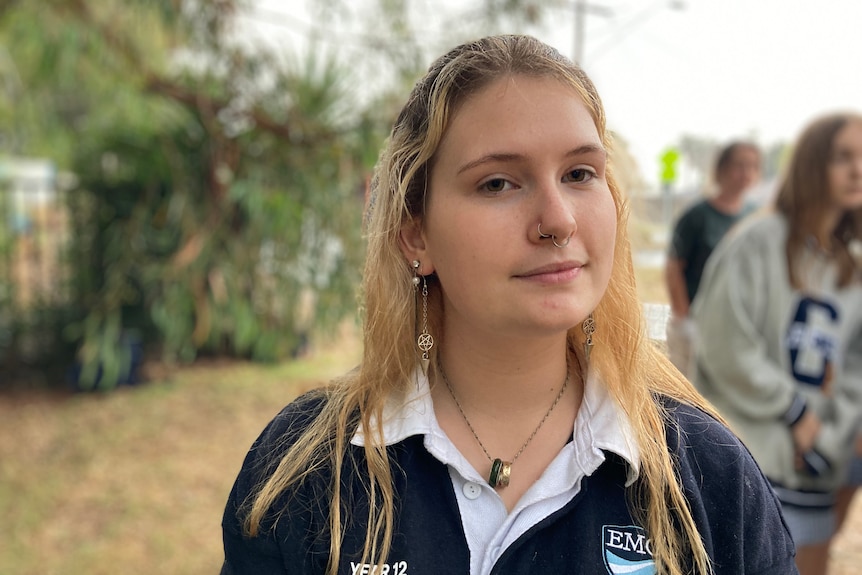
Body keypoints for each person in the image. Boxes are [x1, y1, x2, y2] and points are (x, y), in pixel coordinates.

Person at [220, 35, 797, 575]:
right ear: (415, 233)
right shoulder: (304, 473)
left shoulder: (712, 478)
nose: (558, 220)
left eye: (579, 173)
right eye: (498, 183)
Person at [691, 112, 862, 575]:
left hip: (813, 465)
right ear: (811, 163)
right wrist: (794, 410)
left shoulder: (851, 268)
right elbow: (726, 342)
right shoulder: (758, 241)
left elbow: (853, 370)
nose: (857, 170)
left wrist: (829, 434)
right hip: (748, 452)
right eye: (843, 157)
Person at [664, 141, 762, 378]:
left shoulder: (754, 215)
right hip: (696, 322)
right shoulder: (697, 216)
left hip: (735, 324)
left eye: (752, 166)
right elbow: (673, 267)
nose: (745, 173)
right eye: (739, 165)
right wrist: (683, 317)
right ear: (722, 169)